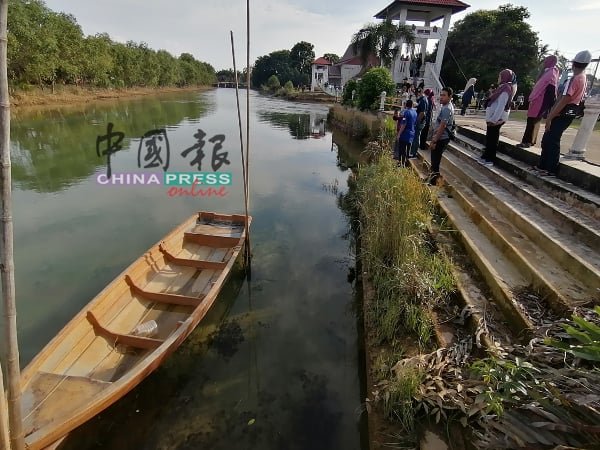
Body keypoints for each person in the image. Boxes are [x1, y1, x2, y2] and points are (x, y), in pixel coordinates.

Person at [534, 50, 591, 176]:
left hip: (561, 113)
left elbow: (564, 99)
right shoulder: (583, 78)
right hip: (568, 113)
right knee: (549, 139)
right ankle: (543, 165)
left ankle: (550, 168)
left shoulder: (575, 79)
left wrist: (550, 117)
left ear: (573, 64)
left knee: (551, 140)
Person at [517, 55, 559, 149]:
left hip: (541, 101)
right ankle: (531, 141)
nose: (544, 63)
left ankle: (527, 141)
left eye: (546, 61)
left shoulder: (551, 73)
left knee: (533, 121)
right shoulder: (547, 72)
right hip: (537, 100)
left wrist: (549, 104)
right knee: (534, 120)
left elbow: (551, 90)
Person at [480, 69, 516, 166]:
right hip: (493, 118)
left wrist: (493, 120)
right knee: (489, 137)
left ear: (504, 77)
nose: (498, 78)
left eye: (500, 76)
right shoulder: (502, 87)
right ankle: (486, 156)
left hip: (496, 119)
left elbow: (501, 106)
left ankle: (490, 159)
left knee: (493, 138)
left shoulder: (506, 89)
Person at [426, 87, 454, 186]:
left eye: (444, 95)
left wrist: (434, 140)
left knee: (435, 161)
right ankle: (432, 178)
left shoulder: (447, 109)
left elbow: (443, 126)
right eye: (441, 95)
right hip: (440, 137)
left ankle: (434, 182)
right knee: (434, 160)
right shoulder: (446, 106)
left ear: (450, 97)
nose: (441, 97)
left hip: (441, 138)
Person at [394, 99, 417, 166]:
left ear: (406, 104)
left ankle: (401, 164)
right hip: (411, 133)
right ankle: (406, 162)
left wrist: (399, 134)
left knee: (402, 149)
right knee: (408, 150)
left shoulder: (406, 112)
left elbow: (404, 124)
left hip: (405, 134)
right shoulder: (415, 112)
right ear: (412, 105)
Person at [410, 88, 428, 158]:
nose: (417, 95)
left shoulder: (423, 100)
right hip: (419, 120)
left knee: (416, 137)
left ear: (420, 92)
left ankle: (414, 153)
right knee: (415, 136)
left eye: (417, 93)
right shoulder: (421, 99)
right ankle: (413, 151)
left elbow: (422, 113)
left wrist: (417, 121)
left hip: (420, 121)